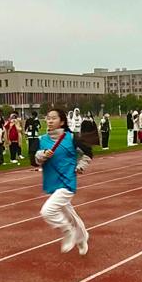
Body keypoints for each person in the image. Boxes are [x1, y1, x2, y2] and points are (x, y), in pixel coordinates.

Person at [35, 108, 94, 255]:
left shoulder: (71, 138)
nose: (50, 120)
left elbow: (88, 152)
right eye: (48, 118)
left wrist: (80, 166)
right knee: (69, 213)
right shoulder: (42, 140)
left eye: (54, 118)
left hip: (67, 182)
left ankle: (68, 232)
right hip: (52, 182)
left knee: (47, 211)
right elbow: (34, 160)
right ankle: (82, 238)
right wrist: (42, 155)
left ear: (62, 121)